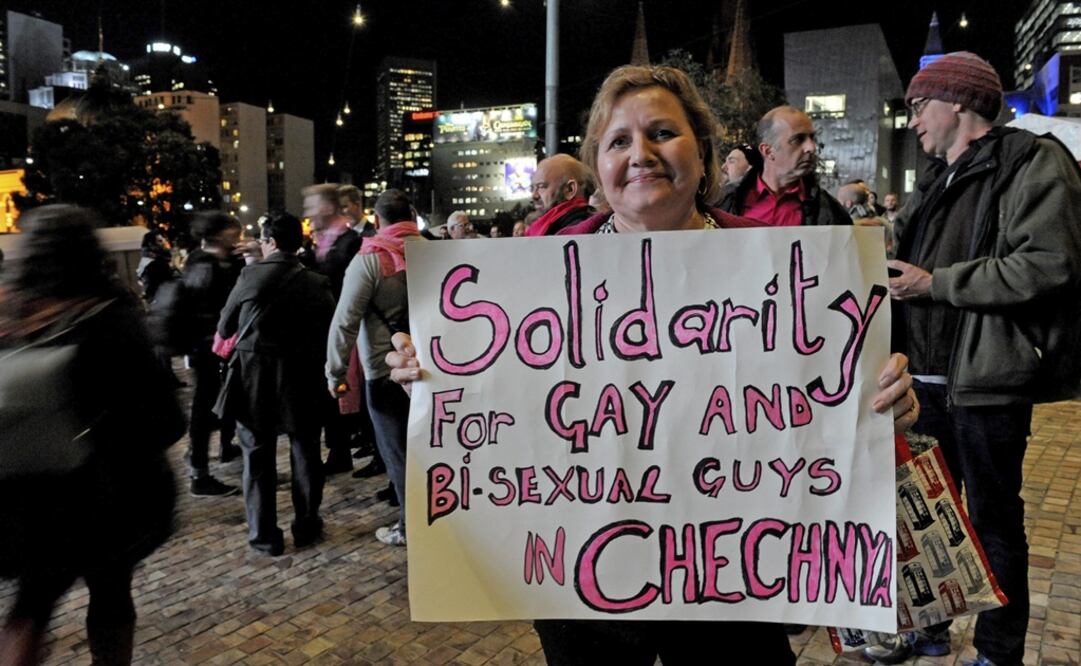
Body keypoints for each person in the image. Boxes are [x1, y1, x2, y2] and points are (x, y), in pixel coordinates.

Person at [384, 65, 919, 665]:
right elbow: (497, 409)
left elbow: (838, 394)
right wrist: (430, 378)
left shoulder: (788, 266)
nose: (640, 155)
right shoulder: (526, 280)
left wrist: (887, 398)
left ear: (703, 150)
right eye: (618, 142)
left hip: (734, 579)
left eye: (662, 132)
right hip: (588, 586)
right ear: (598, 167)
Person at [874, 51, 1081, 666]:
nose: (912, 121)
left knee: (992, 521)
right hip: (923, 384)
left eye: (918, 106)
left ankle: (998, 648)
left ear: (958, 102)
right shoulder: (936, 178)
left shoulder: (1032, 162)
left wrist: (935, 283)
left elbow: (1050, 264)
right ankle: (931, 627)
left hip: (986, 382)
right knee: (930, 518)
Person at [0, 205, 182, 665]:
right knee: (111, 593)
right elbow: (164, 419)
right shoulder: (111, 317)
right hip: (106, 496)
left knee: (30, 608)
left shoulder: (11, 312)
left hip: (26, 497)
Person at [216, 212, 336, 556]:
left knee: (256, 455)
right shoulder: (317, 282)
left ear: (269, 243)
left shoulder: (249, 276)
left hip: (254, 378)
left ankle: (264, 535)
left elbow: (225, 328)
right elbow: (331, 332)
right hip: (302, 376)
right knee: (306, 450)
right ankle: (307, 525)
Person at [326, 189, 423, 546]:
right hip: (434, 369)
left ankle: (409, 528)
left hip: (385, 374)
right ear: (412, 215)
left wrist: (335, 374)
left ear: (378, 220)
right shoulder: (431, 249)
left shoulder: (370, 259)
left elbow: (345, 322)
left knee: (398, 455)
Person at [302, 183, 365, 475]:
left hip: (347, 332)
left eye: (311, 206)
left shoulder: (351, 242)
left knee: (344, 391)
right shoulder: (324, 242)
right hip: (323, 330)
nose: (308, 213)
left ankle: (344, 449)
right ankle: (339, 451)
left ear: (327, 208)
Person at [184, 212, 243, 495]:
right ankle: (199, 472)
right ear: (220, 233)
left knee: (211, 404)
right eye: (234, 231)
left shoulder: (211, 261)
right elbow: (214, 306)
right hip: (208, 347)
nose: (238, 235)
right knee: (204, 407)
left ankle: (214, 451)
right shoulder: (204, 265)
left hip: (212, 346)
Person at [718, 105, 851, 227]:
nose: (811, 147)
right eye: (798, 139)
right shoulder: (723, 201)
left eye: (812, 138)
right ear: (768, 151)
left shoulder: (830, 211)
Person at [524, 154, 596, 236]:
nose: (534, 196)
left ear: (570, 190)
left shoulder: (577, 230)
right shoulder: (552, 226)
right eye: (532, 188)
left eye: (541, 186)